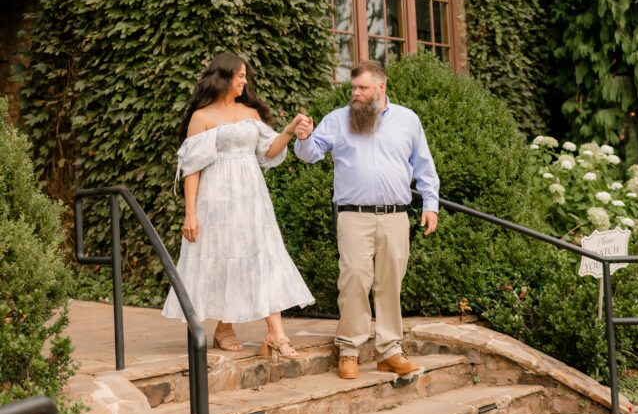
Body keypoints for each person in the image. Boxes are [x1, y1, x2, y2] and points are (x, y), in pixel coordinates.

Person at [162, 52, 314, 359]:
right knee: (224, 256)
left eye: (246, 76)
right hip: (216, 198)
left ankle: (275, 332)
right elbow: (192, 169)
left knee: (262, 257)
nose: (245, 81)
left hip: (252, 197)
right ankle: (225, 326)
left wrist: (289, 129)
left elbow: (268, 152)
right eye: (240, 75)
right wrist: (190, 214)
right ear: (224, 77)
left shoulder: (251, 113)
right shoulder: (201, 117)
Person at [294, 59, 439, 379]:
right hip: (353, 216)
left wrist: (430, 204)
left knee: (390, 284)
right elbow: (311, 153)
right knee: (354, 280)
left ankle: (390, 351)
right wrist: (304, 137)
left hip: (395, 217)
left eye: (363, 88)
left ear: (381, 88)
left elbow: (424, 166)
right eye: (353, 88)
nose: (356, 93)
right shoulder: (337, 120)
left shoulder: (408, 120)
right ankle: (349, 349)